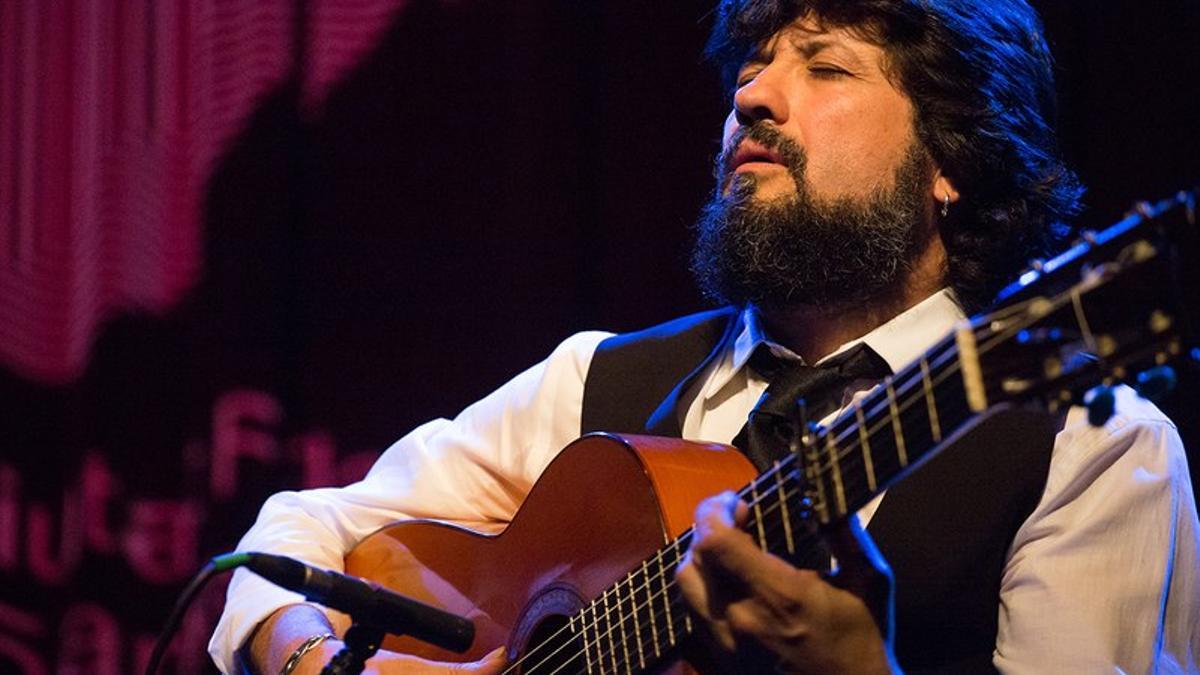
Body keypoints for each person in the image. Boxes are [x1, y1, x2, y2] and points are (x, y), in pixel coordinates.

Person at [210, 1, 1200, 673]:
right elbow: (288, 542)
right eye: (754, 63)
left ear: (953, 161)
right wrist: (308, 659)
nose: (752, 96)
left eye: (825, 66)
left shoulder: (1092, 449)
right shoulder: (593, 385)